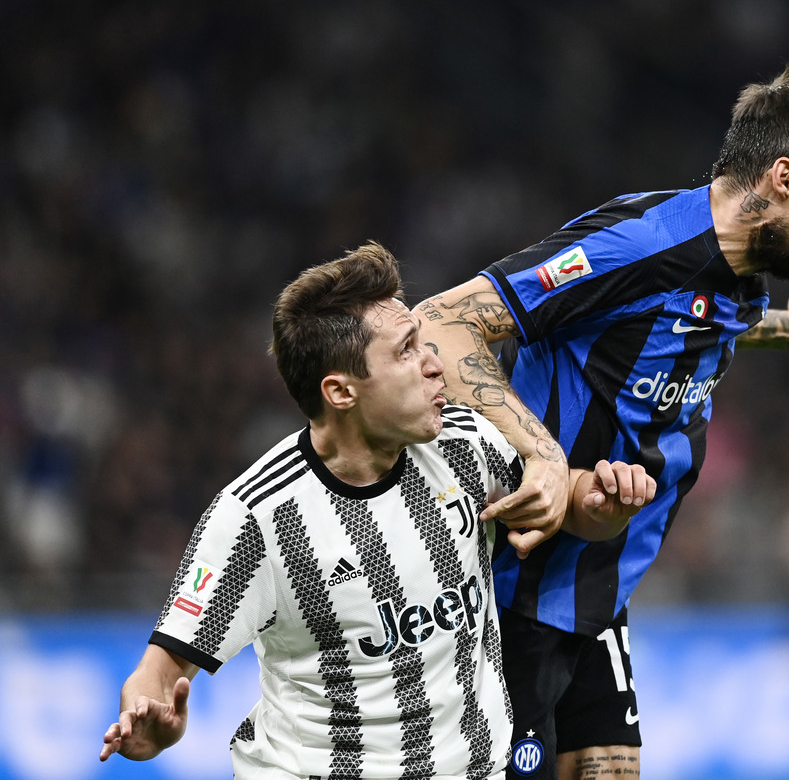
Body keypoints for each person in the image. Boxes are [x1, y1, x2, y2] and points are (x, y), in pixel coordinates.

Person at [415, 66, 789, 779]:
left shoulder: (740, 268)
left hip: (596, 589)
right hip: (512, 595)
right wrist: (542, 455)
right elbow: (441, 322)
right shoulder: (639, 245)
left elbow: (679, 327)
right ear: (783, 178)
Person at [98, 243, 656, 779]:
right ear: (341, 392)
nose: (434, 363)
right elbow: (158, 671)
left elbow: (566, 502)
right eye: (406, 350)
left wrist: (604, 501)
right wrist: (151, 728)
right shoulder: (257, 518)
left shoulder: (466, 443)